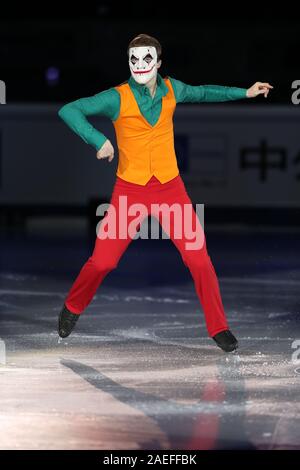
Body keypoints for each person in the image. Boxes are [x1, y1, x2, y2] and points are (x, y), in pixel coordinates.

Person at [57, 33, 273, 352]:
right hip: (130, 191)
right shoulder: (117, 97)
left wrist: (245, 91)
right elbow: (69, 110)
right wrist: (98, 140)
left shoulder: (173, 89)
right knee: (103, 262)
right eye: (134, 59)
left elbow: (203, 93)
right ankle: (73, 307)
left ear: (159, 62)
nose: (140, 65)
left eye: (147, 59)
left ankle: (219, 327)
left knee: (199, 259)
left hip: (171, 189)